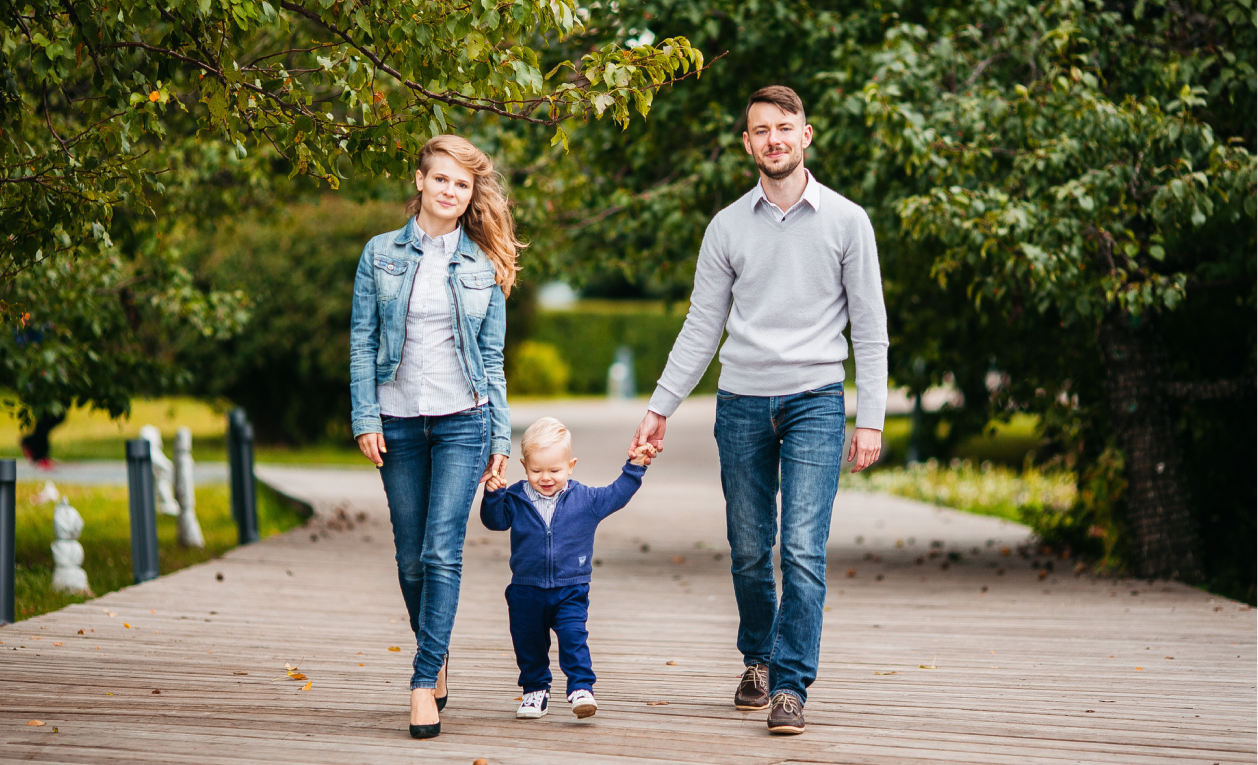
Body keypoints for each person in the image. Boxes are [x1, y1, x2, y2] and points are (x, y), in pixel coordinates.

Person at [629, 85, 889, 735]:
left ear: (806, 135)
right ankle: (758, 659)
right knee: (750, 550)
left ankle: (791, 685)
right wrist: (661, 406)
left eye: (784, 126)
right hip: (741, 402)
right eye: (760, 129)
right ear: (747, 144)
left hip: (816, 402)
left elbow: (871, 327)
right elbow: (700, 327)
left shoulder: (848, 220)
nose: (773, 137)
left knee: (802, 548)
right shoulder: (726, 227)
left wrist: (872, 416)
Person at [349, 134, 520, 740]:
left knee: (441, 551)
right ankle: (437, 646)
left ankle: (423, 682)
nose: (450, 191)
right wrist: (365, 417)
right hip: (396, 419)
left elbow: (493, 359)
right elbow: (362, 341)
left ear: (471, 194)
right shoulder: (379, 253)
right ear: (420, 181)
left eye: (463, 184)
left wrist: (500, 436)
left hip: (462, 420)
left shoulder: (483, 261)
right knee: (408, 556)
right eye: (441, 178)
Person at [481, 417, 656, 720]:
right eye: (536, 471)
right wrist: (493, 495)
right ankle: (535, 690)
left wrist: (636, 466)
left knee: (574, 637)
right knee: (528, 642)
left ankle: (581, 688)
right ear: (524, 466)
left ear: (571, 465)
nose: (546, 477)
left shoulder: (585, 500)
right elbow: (495, 521)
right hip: (526, 589)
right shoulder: (516, 498)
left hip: (570, 588)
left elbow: (617, 493)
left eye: (555, 470)